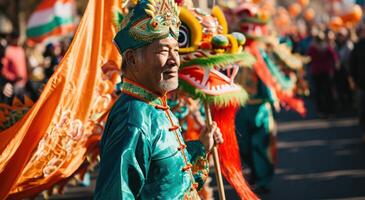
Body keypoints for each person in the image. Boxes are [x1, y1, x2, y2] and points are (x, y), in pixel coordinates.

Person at [94, 0, 223, 199]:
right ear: (131, 59)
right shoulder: (133, 119)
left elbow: (168, 180)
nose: (174, 61)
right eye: (163, 51)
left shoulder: (155, 105)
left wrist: (202, 146)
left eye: (176, 51)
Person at [307, 32, 338, 117]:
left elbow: (308, 58)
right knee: (326, 91)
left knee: (320, 91)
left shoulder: (313, 48)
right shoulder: (326, 47)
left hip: (318, 71)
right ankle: (329, 110)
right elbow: (334, 58)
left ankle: (322, 110)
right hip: (324, 71)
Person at [350, 23, 365, 142]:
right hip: (361, 84)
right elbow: (352, 64)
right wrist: (353, 80)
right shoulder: (359, 45)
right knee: (362, 109)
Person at [1, 31, 27, 100]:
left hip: (23, 84)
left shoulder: (20, 49)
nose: (17, 40)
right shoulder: (7, 50)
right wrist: (14, 78)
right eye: (15, 38)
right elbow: (4, 70)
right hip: (13, 85)